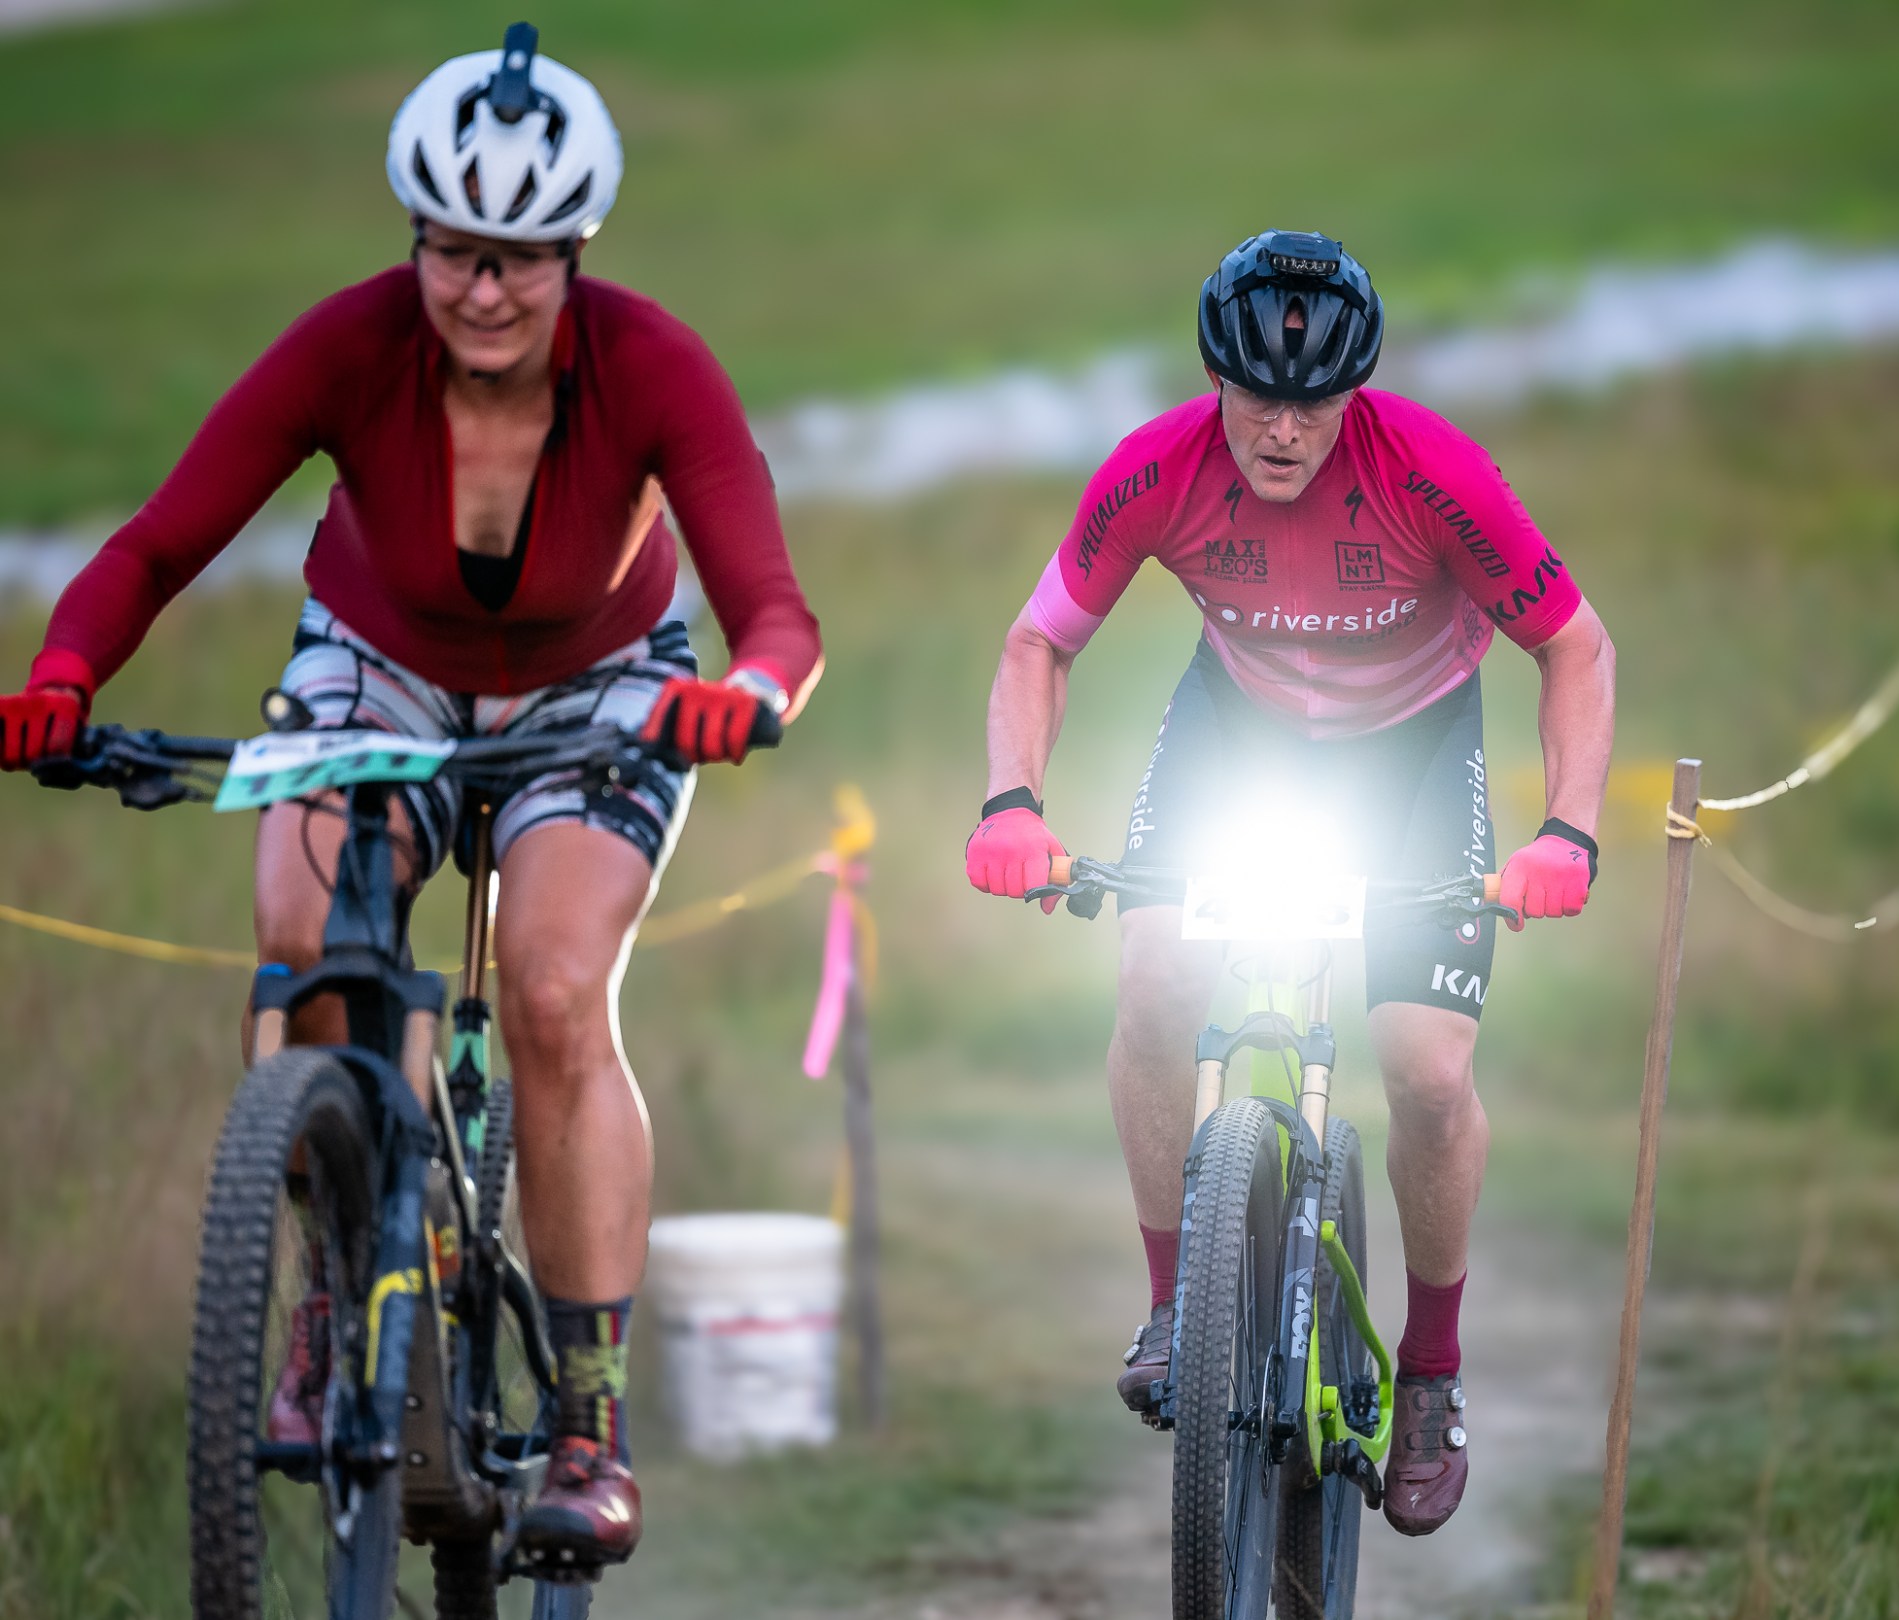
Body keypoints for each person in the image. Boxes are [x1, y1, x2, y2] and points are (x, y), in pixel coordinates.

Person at [0, 26, 821, 1567]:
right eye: (454, 252)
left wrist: (746, 696)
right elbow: (160, 541)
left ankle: (588, 1423)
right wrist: (62, 676)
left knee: (556, 990)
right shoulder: (348, 346)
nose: (485, 291)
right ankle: (322, 1305)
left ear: (574, 254)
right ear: (416, 242)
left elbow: (777, 614)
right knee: (303, 949)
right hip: (372, 667)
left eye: (519, 257)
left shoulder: (653, 366)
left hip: (603, 684)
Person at [965, 230, 1614, 1536]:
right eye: (1255, 396)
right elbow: (1041, 640)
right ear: (1215, 381)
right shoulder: (1154, 470)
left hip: (1416, 750)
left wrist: (1570, 833)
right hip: (1239, 733)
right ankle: (1175, 1310)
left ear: (1353, 395)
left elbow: (1577, 649)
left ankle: (1430, 1373)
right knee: (1153, 982)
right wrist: (1013, 805)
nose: (1280, 429)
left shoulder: (1437, 474)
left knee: (1426, 1070)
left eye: (1311, 403)